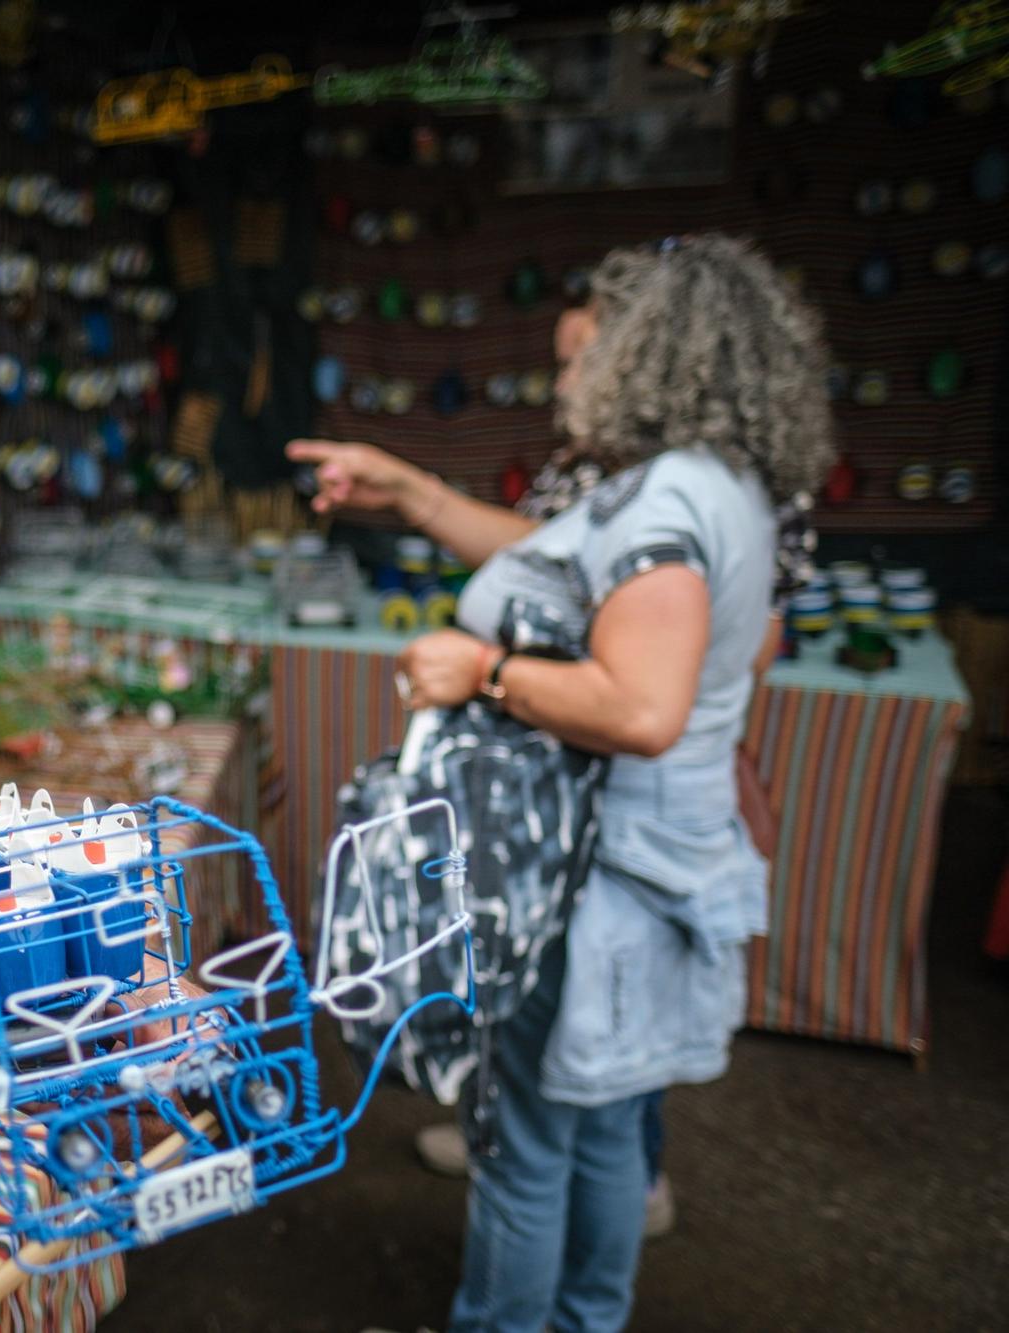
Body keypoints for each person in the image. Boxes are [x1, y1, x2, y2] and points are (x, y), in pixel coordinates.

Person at [291, 234, 833, 1333]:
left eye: (584, 356)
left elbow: (640, 707)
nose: (565, 378)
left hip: (596, 881)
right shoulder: (703, 484)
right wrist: (410, 491)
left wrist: (481, 668)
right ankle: (586, 1317)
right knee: (592, 1132)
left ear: (651, 356)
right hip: (641, 867)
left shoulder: (668, 505)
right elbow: (552, 555)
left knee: (524, 1144)